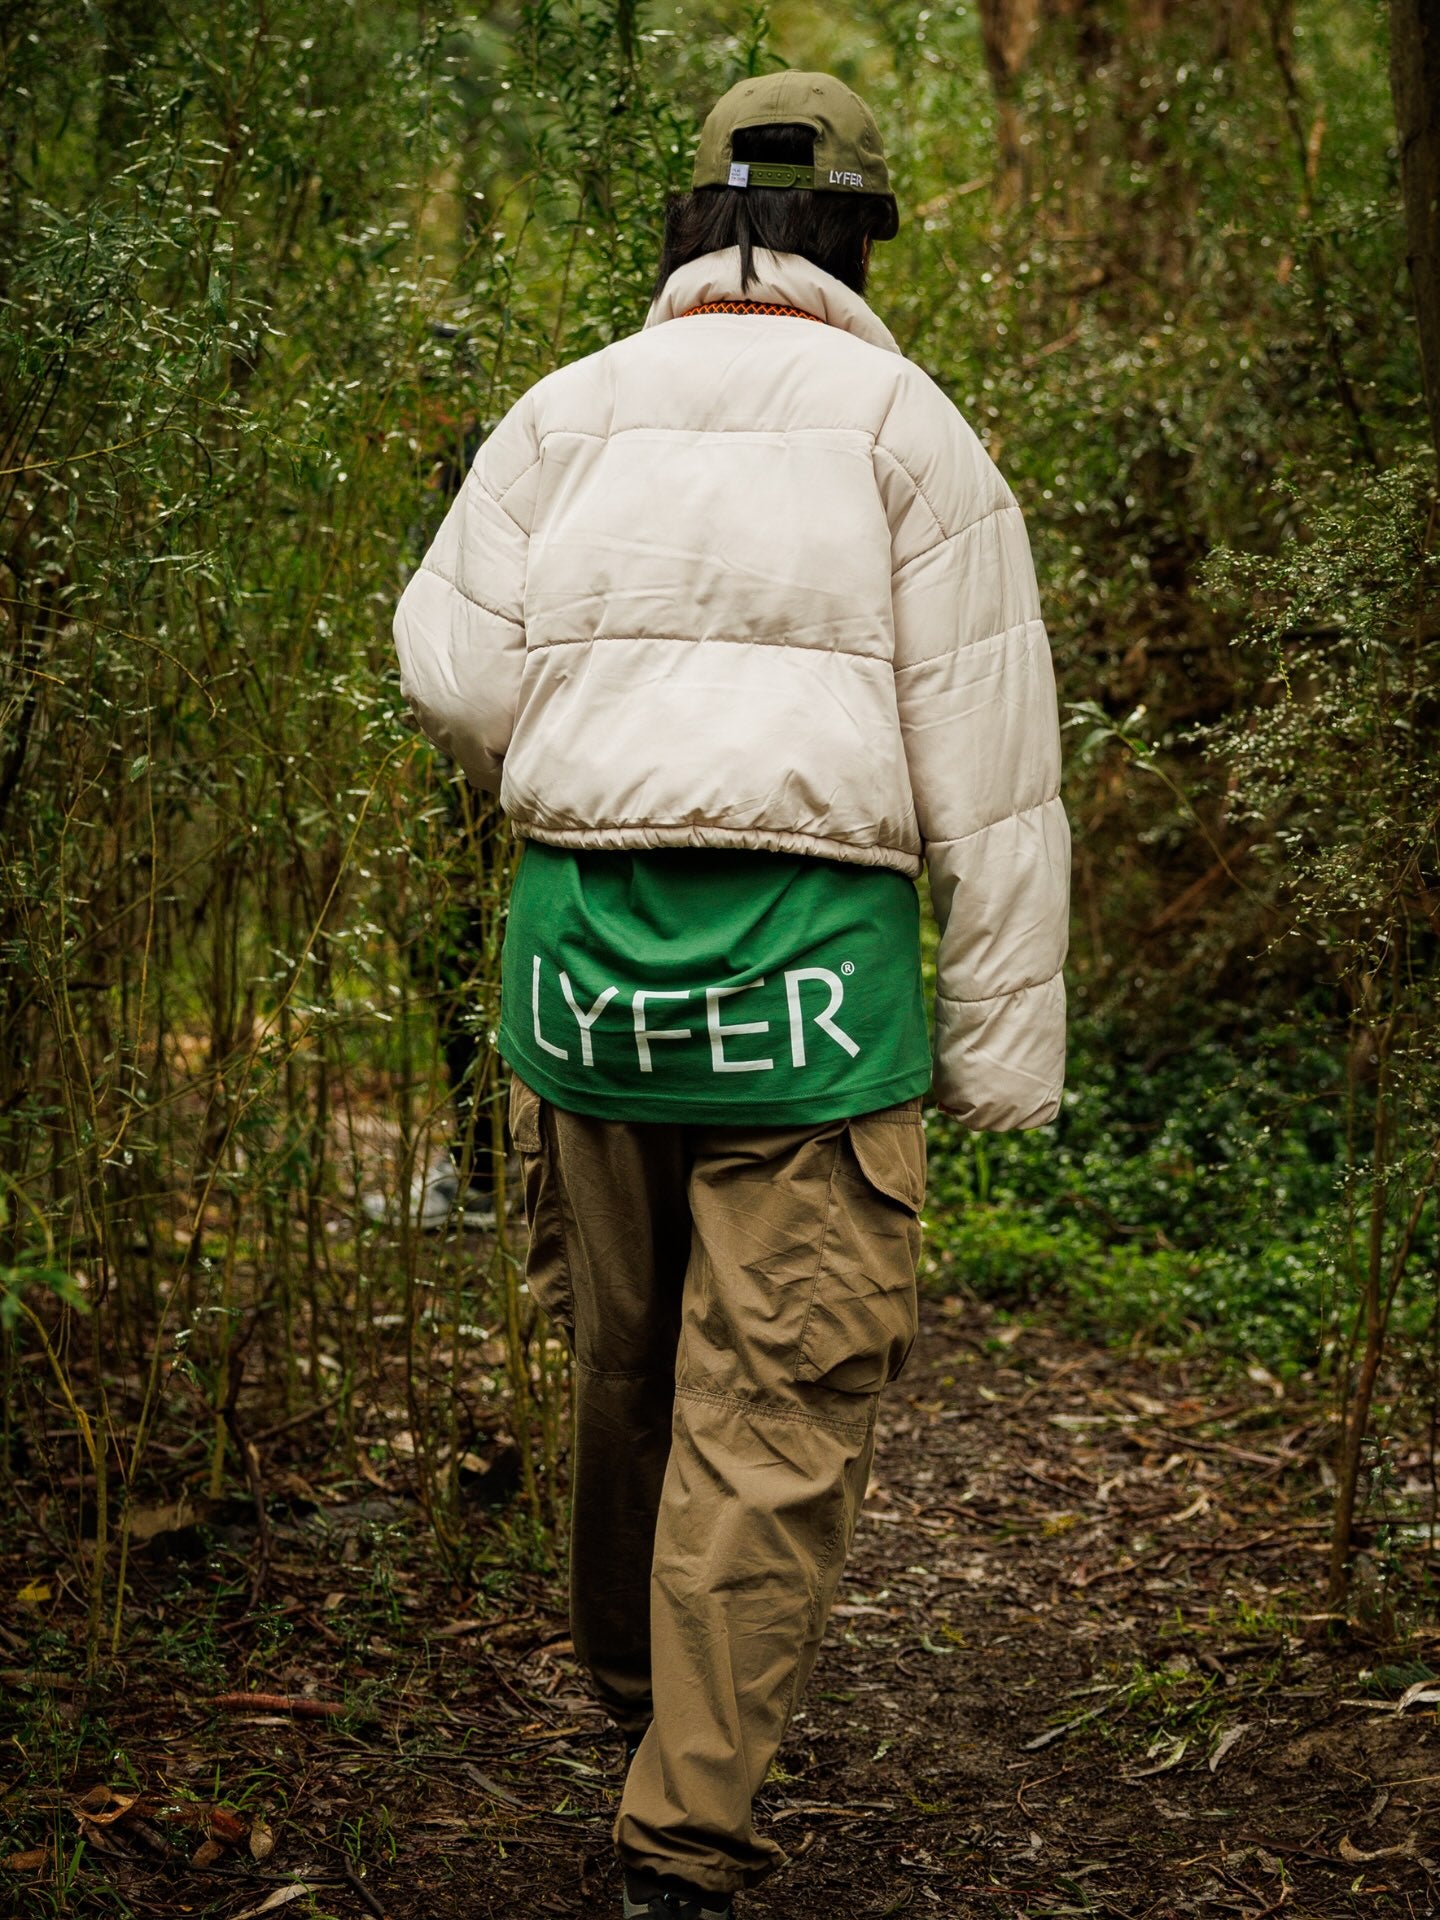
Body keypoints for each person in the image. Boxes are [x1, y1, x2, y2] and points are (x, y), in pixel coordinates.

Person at [392, 69, 1070, 1920]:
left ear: (692, 228)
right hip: (815, 993)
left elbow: (449, 666)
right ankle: (685, 1827)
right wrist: (1003, 1053)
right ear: (858, 239)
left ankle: (640, 1702)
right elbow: (990, 758)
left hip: (583, 971)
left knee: (625, 1367)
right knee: (772, 1404)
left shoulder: (568, 411)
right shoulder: (914, 433)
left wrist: (602, 743)